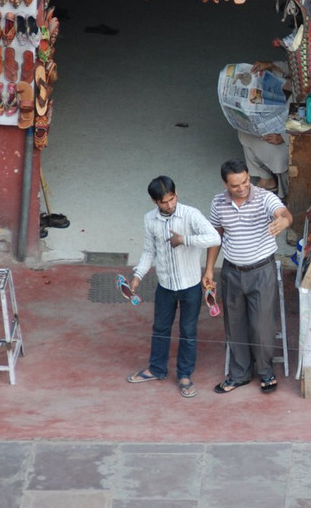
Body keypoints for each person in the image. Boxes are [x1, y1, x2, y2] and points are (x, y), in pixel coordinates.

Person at [125, 175, 221, 399]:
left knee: (188, 331)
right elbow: (149, 251)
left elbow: (214, 238)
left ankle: (185, 375)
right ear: (154, 202)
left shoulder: (191, 214)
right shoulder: (149, 220)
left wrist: (184, 240)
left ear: (176, 194)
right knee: (160, 328)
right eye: (164, 202)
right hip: (165, 285)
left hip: (190, 286)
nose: (169, 205)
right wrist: (138, 276)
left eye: (172, 199)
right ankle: (156, 369)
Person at [205, 159, 294, 395]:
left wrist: (284, 221)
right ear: (225, 184)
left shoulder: (264, 197)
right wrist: (209, 270)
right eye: (235, 185)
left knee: (261, 325)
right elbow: (216, 236)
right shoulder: (218, 202)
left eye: (245, 181)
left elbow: (283, 213)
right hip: (232, 271)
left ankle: (266, 371)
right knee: (235, 325)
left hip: (261, 271)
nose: (242, 188)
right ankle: (239, 374)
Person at [236, 60, 290, 198]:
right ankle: (266, 178)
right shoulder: (307, 62)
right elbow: (290, 69)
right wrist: (271, 65)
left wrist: (284, 137)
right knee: (245, 131)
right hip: (284, 115)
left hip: (291, 134)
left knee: (271, 145)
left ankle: (276, 184)